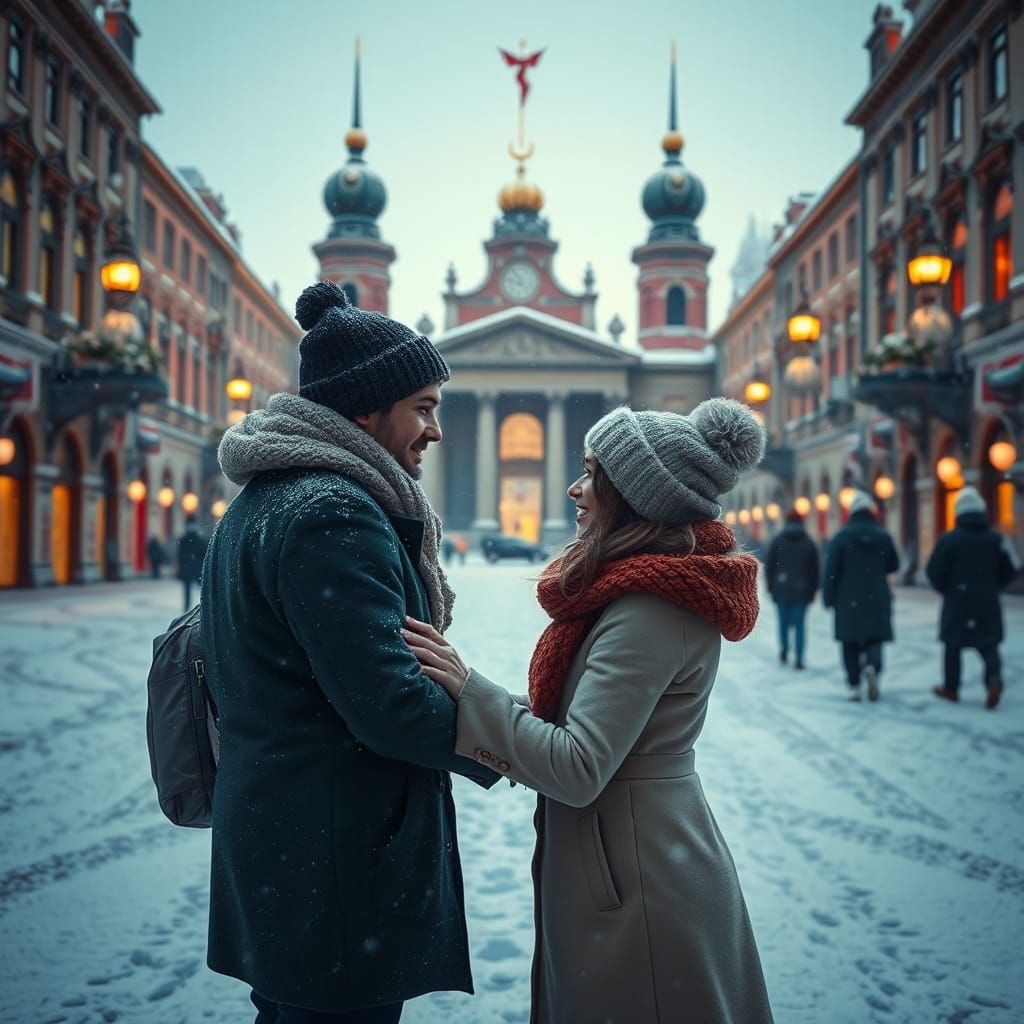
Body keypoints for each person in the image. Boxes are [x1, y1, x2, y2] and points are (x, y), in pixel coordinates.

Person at [403, 400, 774, 1024]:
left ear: (632, 497)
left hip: (640, 876)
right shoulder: (637, 594)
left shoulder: (650, 609)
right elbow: (587, 722)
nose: (574, 489)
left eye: (592, 473)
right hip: (634, 855)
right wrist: (470, 698)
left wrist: (471, 691)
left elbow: (578, 766)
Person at [202, 281, 498, 1024]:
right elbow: (389, 703)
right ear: (366, 409)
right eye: (423, 408)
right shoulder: (332, 511)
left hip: (288, 843)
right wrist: (517, 739)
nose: (435, 430)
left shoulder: (267, 499)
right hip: (334, 856)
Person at [926, 486, 1016, 709]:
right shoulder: (995, 539)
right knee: (989, 644)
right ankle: (993, 679)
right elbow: (1010, 570)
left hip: (957, 600)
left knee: (952, 646)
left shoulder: (949, 540)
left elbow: (933, 572)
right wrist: (993, 586)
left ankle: (951, 688)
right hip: (987, 601)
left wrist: (948, 590)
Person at [822, 490, 899, 701]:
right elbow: (894, 564)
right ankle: (872, 667)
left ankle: (854, 685)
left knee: (850, 643)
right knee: (875, 639)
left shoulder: (842, 537)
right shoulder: (883, 536)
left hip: (847, 600)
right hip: (877, 598)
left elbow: (831, 572)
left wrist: (828, 598)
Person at [764, 508, 819, 669]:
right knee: (799, 625)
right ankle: (799, 657)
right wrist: (813, 590)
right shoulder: (808, 542)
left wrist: (771, 586)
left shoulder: (777, 540)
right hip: (802, 589)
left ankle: (784, 650)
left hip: (781, 588)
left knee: (783, 623)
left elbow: (770, 566)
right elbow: (815, 569)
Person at [175, 517, 207, 610]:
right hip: (193, 568)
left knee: (198, 590)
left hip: (191, 568)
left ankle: (199, 607)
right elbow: (180, 556)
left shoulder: (186, 540)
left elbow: (181, 556)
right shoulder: (193, 539)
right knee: (199, 590)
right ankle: (202, 607)